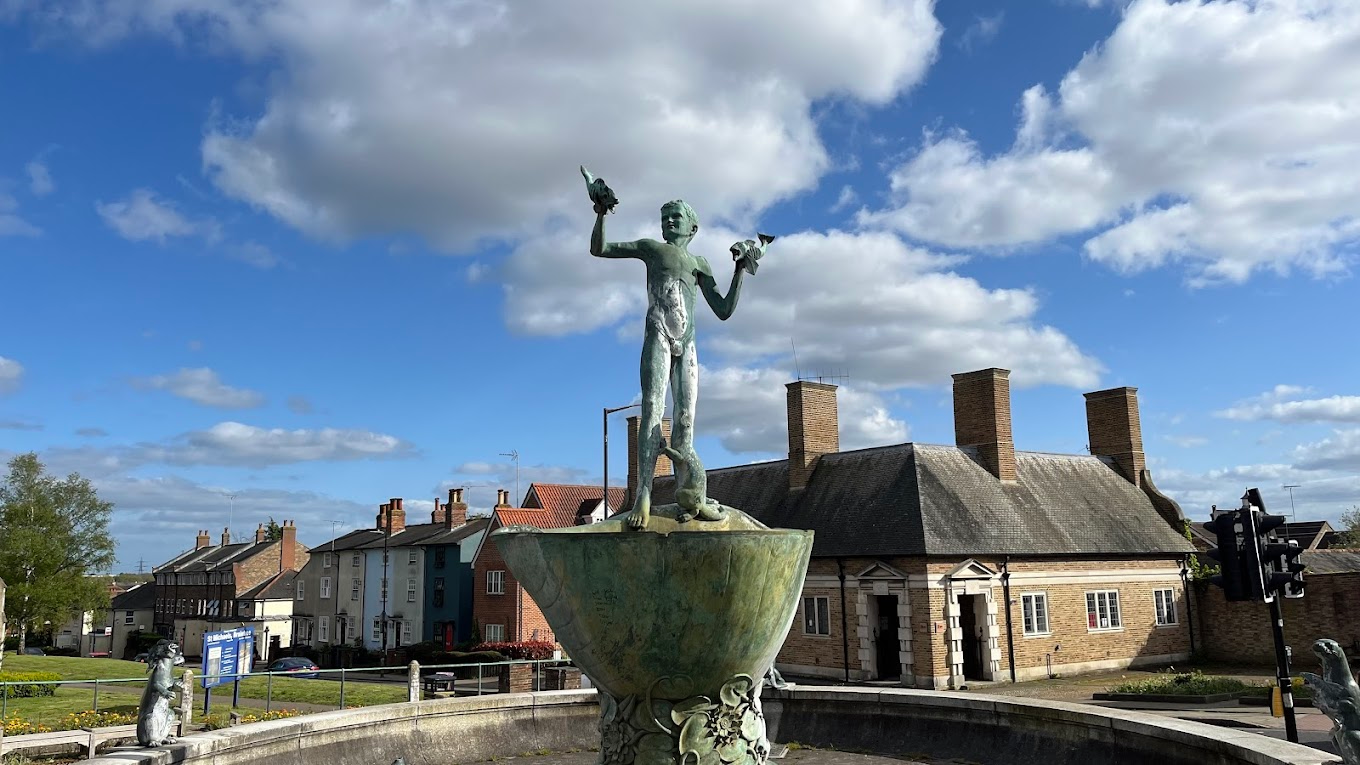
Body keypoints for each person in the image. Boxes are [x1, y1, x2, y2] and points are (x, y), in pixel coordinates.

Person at [587, 180, 751, 530]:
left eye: (675, 217)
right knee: (651, 410)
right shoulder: (651, 249)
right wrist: (601, 213)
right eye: (665, 218)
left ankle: (687, 496)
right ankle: (643, 495)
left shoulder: (700, 263)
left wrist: (740, 269)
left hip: (687, 343)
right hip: (658, 333)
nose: (669, 222)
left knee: (685, 423)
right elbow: (600, 249)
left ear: (693, 226)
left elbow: (723, 310)